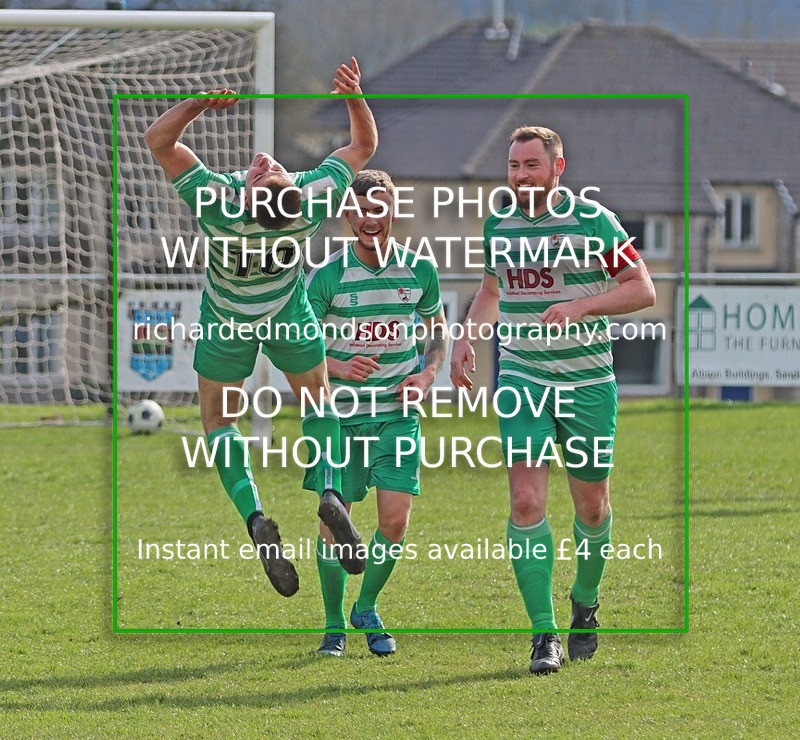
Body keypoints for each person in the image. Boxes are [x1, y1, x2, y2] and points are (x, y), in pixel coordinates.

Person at [144, 58, 378, 598]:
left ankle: (255, 519)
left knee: (217, 422)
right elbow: (363, 145)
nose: (262, 161)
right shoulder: (309, 204)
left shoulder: (219, 206)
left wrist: (198, 104)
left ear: (248, 197)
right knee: (319, 402)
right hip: (286, 314)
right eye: (269, 169)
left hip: (228, 320)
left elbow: (158, 140)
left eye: (260, 172)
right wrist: (354, 95)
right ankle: (331, 494)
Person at [450, 126, 656, 674]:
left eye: (530, 165)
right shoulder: (498, 225)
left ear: (557, 168)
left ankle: (584, 604)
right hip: (523, 378)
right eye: (513, 166)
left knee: (592, 508)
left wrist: (581, 308)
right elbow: (491, 292)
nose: (520, 176)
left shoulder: (594, 221)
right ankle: (544, 635)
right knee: (525, 503)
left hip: (587, 383)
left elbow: (642, 288)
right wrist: (467, 336)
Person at [305, 169, 448, 657]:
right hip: (340, 419)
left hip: (396, 415)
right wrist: (338, 365)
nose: (371, 219)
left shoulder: (419, 270)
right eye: (362, 210)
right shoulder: (327, 276)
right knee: (335, 521)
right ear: (348, 214)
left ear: (393, 212)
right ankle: (333, 626)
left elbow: (437, 331)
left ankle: (364, 607)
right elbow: (296, 344)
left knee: (395, 522)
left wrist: (427, 375)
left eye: (380, 209)